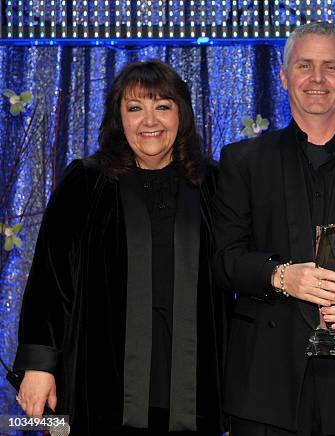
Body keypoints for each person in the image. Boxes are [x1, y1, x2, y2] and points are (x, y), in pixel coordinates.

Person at [214, 22, 335, 436]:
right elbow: (224, 260)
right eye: (304, 65)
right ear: (284, 76)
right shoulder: (241, 162)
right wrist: (282, 276)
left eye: (330, 67)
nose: (317, 79)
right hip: (264, 389)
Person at [13, 60, 227, 435]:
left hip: (194, 393)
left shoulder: (213, 184)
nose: (150, 121)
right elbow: (51, 279)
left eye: (162, 106)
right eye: (135, 108)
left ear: (182, 115)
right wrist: (39, 365)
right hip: (103, 390)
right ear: (118, 118)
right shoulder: (86, 182)